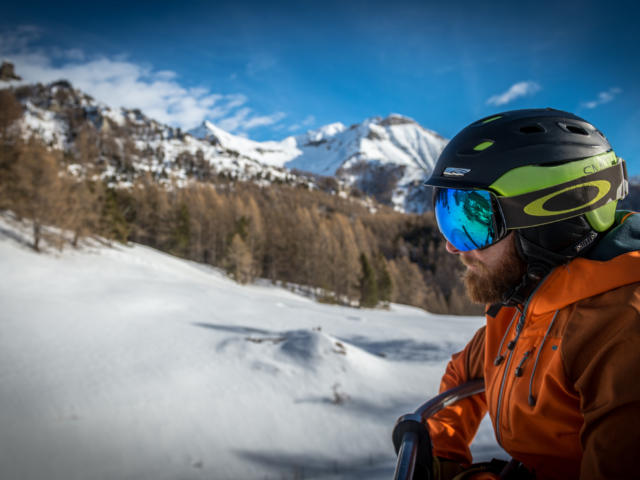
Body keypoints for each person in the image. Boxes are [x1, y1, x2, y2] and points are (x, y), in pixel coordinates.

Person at [421, 108, 640, 480]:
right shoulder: (520, 301)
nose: (452, 248)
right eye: (449, 214)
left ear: (548, 222)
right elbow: (465, 373)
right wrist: (441, 455)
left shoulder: (622, 331)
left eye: (473, 221)